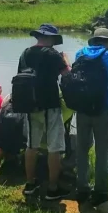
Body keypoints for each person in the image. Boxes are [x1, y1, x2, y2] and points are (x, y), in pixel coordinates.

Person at [19, 23, 72, 200]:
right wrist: (66, 60)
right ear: (50, 38)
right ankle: (52, 188)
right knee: (54, 147)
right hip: (50, 105)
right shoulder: (53, 54)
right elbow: (67, 75)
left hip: (29, 105)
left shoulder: (25, 53)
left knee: (31, 146)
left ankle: (30, 184)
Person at [73, 28, 108, 211]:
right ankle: (101, 192)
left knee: (82, 149)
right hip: (103, 109)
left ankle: (82, 188)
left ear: (93, 41)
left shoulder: (79, 53)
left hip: (82, 109)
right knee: (103, 151)